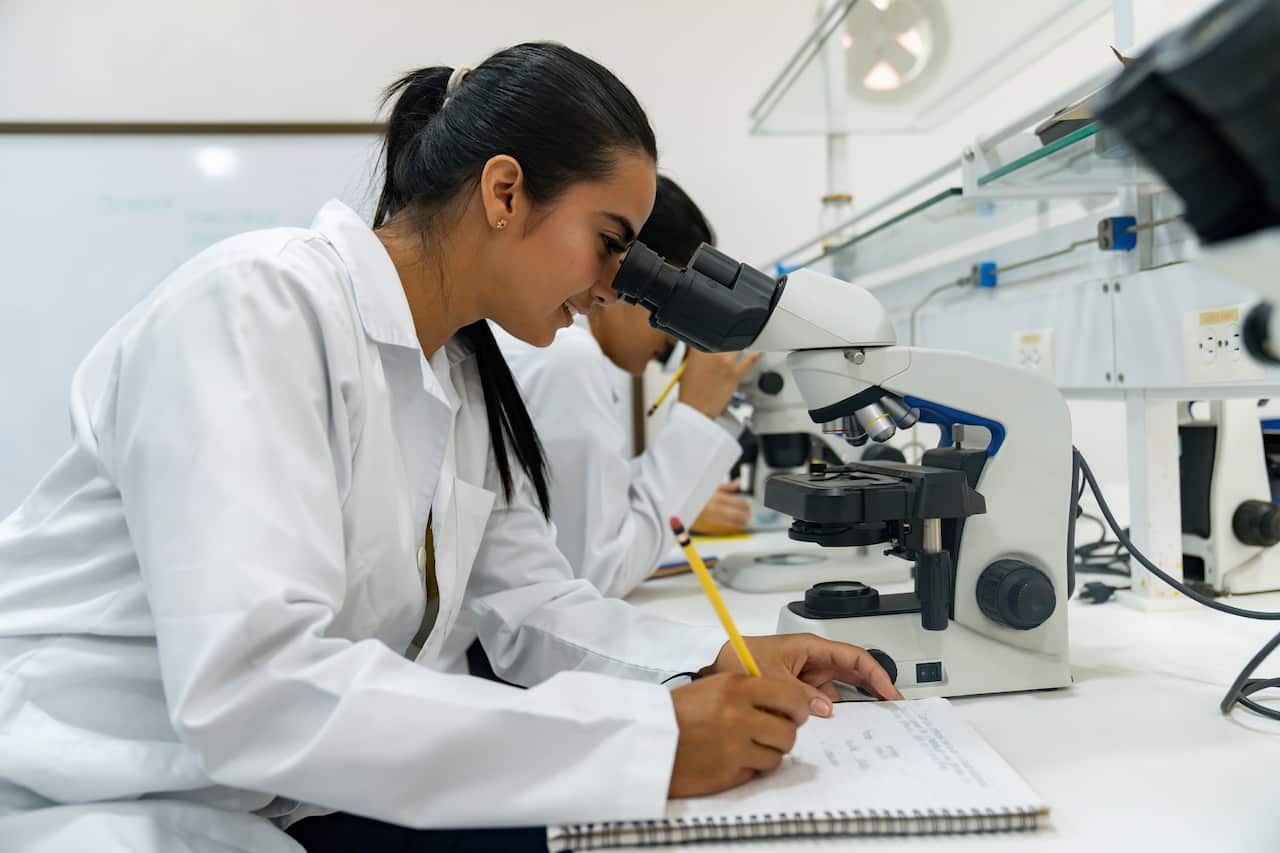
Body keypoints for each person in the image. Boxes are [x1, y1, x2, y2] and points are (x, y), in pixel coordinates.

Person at [0, 43, 898, 853]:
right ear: (505, 193)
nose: (614, 284)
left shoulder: (461, 372)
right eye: (610, 242)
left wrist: (712, 664)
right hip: (89, 795)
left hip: (266, 793)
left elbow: (531, 599)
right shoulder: (259, 307)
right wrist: (652, 740)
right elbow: (255, 686)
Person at [492, 176, 752, 603]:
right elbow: (597, 574)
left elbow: (562, 500)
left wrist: (681, 505)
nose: (677, 337)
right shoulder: (564, 355)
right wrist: (697, 415)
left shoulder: (561, 347)